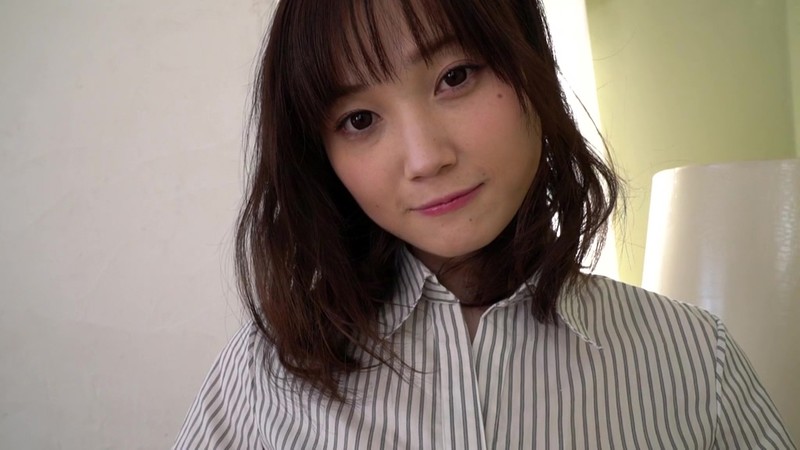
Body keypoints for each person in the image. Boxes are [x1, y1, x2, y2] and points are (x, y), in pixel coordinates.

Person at [174, 0, 796, 448]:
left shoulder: (693, 356)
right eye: (359, 120)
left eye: (455, 77)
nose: (425, 158)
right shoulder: (265, 373)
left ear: (531, 67)